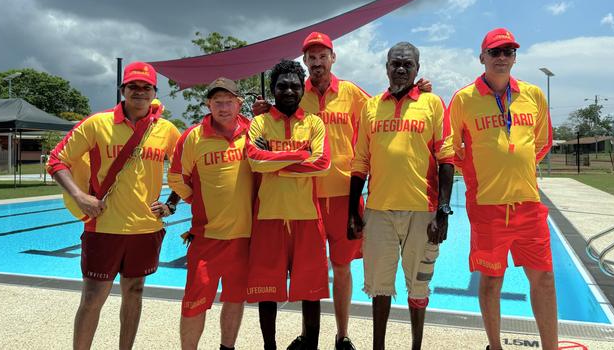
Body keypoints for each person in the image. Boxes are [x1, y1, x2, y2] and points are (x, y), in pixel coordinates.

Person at [253, 31, 432, 350]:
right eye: (311, 57)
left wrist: (415, 89)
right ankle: (308, 335)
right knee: (307, 273)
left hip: (340, 194)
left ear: (333, 58)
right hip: (303, 195)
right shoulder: (294, 91)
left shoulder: (352, 93)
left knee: (341, 266)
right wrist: (263, 112)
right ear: (304, 61)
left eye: (323, 56)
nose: (317, 62)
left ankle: (342, 334)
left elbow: (388, 103)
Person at [47, 61, 181, 350]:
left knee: (135, 291)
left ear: (155, 92)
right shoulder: (97, 123)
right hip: (103, 224)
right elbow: (56, 161)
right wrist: (81, 197)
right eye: (133, 86)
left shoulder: (167, 130)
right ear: (123, 90)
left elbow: (187, 169)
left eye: (146, 88)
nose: (140, 92)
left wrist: (171, 204)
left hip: (145, 227)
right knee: (93, 296)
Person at [448, 28, 556, 350]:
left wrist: (515, 167)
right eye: (495, 52)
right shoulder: (464, 99)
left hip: (527, 204)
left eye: (508, 51)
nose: (501, 57)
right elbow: (451, 149)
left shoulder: (533, 95)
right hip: (488, 208)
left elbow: (542, 142)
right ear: (482, 58)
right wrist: (479, 174)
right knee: (492, 281)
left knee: (545, 280)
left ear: (514, 57)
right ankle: (495, 347)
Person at [348, 42, 454, 350]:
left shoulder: (433, 104)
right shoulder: (371, 107)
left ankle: (416, 346)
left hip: (423, 210)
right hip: (379, 211)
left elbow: (445, 157)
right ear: (386, 67)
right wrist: (353, 211)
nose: (401, 68)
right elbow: (360, 162)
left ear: (417, 69)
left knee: (418, 285)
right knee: (380, 286)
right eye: (396, 63)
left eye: (408, 64)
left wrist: (443, 211)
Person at [245, 59, 331, 350]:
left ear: (301, 89)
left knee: (311, 292)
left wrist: (276, 164)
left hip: (307, 217)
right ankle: (270, 347)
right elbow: (255, 161)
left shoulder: (314, 123)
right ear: (273, 89)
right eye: (282, 85)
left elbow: (323, 163)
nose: (290, 90)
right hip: (269, 217)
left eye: (295, 85)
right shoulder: (260, 122)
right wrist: (299, 155)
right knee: (266, 291)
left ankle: (312, 346)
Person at [168, 77, 253, 350]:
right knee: (194, 304)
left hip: (244, 237)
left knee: (235, 299)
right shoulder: (194, 136)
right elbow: (176, 178)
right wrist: (197, 201)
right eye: (218, 101)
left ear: (239, 103)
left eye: (229, 101)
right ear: (209, 104)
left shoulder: (253, 132)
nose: (224, 107)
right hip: (207, 238)